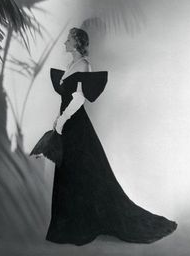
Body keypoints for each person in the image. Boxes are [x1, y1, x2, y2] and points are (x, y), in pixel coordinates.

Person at [45, 27, 177, 246]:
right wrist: (59, 119)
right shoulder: (71, 65)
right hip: (68, 121)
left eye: (68, 39)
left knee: (84, 171)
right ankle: (71, 224)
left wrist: (62, 119)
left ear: (77, 42)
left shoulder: (84, 65)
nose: (64, 42)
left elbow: (79, 99)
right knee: (70, 171)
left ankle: (81, 226)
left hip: (75, 123)